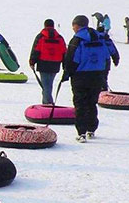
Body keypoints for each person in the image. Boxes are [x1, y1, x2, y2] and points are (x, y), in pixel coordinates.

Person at [62, 15, 110, 143]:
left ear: (77, 25)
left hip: (80, 76)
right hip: (97, 75)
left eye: (73, 26)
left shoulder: (77, 40)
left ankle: (81, 132)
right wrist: (104, 75)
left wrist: (67, 73)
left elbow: (72, 59)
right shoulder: (100, 38)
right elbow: (107, 57)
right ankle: (92, 128)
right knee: (92, 102)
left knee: (80, 103)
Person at [29, 19, 66, 104]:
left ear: (45, 25)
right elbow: (64, 52)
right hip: (55, 64)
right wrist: (65, 65)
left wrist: (32, 62)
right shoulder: (60, 38)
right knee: (49, 85)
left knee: (45, 86)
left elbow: (36, 50)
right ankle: (47, 102)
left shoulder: (41, 36)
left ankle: (48, 103)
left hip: (43, 63)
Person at [96, 25, 120, 91]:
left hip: (95, 62)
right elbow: (113, 50)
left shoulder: (94, 39)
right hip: (106, 61)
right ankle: (104, 90)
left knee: (96, 77)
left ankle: (97, 91)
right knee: (104, 77)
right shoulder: (107, 40)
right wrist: (116, 60)